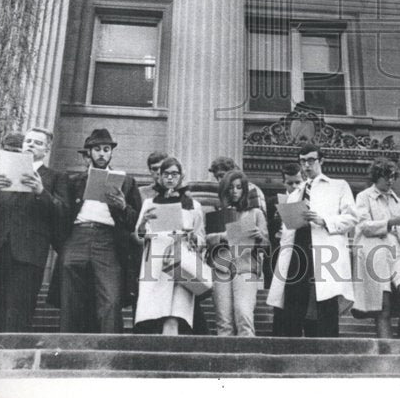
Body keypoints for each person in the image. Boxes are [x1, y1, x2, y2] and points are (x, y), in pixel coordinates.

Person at [267, 144, 357, 337]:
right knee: (293, 300)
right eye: (302, 161)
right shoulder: (295, 193)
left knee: (326, 301)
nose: (306, 165)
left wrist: (323, 220)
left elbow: (352, 218)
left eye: (310, 160)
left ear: (321, 160)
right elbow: (287, 230)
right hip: (297, 250)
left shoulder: (338, 186)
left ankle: (328, 350)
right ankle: (293, 350)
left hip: (325, 250)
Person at [59, 128, 142, 333]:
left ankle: (110, 348)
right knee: (70, 294)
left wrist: (123, 206)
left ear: (111, 152)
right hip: (78, 235)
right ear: (90, 152)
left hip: (108, 241)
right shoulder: (74, 181)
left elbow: (137, 222)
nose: (102, 153)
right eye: (97, 149)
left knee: (111, 298)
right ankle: (68, 347)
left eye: (106, 149)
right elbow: (61, 215)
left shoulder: (126, 182)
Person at [0, 127, 70, 332]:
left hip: (29, 252)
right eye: (28, 141)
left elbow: (63, 212)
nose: (30, 145)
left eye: (37, 143)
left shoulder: (56, 177)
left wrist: (41, 192)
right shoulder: (1, 171)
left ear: (47, 149)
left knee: (19, 310)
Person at [133, 156, 205, 335]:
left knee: (175, 313)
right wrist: (143, 223)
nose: (170, 178)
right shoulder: (150, 203)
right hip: (156, 261)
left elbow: (201, 237)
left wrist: (193, 237)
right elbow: (139, 235)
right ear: (160, 177)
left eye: (174, 174)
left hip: (181, 261)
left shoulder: (193, 206)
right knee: (155, 310)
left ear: (181, 177)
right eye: (166, 174)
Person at [353, 159, 400, 339]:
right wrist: (390, 222)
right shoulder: (363, 196)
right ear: (376, 176)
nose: (390, 181)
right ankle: (389, 352)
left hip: (399, 253)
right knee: (383, 309)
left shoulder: (397, 200)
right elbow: (363, 226)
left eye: (393, 177)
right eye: (386, 177)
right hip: (375, 254)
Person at [205, 170, 269, 336]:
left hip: (246, 268)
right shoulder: (218, 214)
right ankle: (224, 361)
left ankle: (248, 361)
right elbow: (206, 240)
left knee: (244, 314)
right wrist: (223, 236)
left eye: (239, 187)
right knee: (224, 321)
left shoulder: (256, 213)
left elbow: (267, 244)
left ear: (245, 189)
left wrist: (260, 237)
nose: (234, 191)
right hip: (221, 268)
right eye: (230, 188)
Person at [270, 163, 303, 336]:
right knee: (279, 302)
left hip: (299, 257)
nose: (295, 187)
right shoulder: (273, 202)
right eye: (290, 183)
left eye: (298, 182)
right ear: (284, 183)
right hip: (279, 255)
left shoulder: (308, 201)